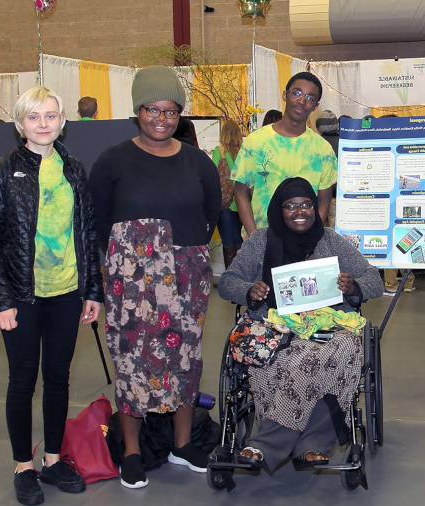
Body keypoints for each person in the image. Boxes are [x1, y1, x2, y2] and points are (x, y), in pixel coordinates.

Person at [89, 66, 220, 489]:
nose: (161, 119)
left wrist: (179, 257)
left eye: (171, 111)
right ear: (137, 110)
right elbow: (98, 222)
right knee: (130, 363)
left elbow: (210, 215)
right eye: (152, 109)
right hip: (131, 283)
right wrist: (134, 261)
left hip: (186, 280)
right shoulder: (113, 161)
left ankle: (182, 444)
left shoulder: (197, 162)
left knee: (185, 360)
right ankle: (131, 451)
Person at [0, 86, 102, 505]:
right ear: (19, 124)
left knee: (58, 379)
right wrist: (1, 300)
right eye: (34, 117)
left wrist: (92, 290)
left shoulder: (74, 169)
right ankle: (22, 467)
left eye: (50, 116)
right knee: (22, 380)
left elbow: (86, 233)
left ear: (62, 121)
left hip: (67, 293)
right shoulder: (3, 173)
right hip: (21, 298)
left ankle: (50, 459)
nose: (43, 124)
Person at [217, 177, 382, 472]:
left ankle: (267, 444)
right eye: (290, 206)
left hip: (329, 328)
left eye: (306, 204)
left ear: (315, 207)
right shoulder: (261, 241)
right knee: (295, 360)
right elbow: (228, 282)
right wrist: (249, 291)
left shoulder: (331, 240)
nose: (299, 211)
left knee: (340, 350)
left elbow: (374, 280)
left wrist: (353, 286)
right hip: (277, 328)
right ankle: (309, 445)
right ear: (279, 211)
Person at [232, 72, 337, 234]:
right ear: (284, 95)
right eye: (296, 93)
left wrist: (312, 235)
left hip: (304, 244)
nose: (302, 101)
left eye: (310, 98)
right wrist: (254, 237)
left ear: (316, 106)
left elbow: (324, 199)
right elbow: (240, 191)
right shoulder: (256, 142)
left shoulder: (323, 150)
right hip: (262, 239)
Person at [212, 119, 244, 268]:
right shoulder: (244, 152)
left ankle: (229, 280)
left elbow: (213, 175)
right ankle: (241, 278)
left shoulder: (220, 151)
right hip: (242, 203)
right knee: (240, 240)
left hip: (225, 203)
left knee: (228, 241)